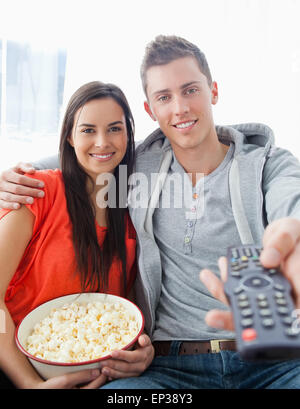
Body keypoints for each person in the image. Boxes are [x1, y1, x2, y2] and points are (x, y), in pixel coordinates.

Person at [1, 35, 300, 389]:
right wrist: (14, 176)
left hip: (272, 359)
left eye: (190, 90)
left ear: (213, 91)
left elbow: (290, 206)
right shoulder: (141, 165)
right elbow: (86, 156)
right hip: (171, 367)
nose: (180, 109)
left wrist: (290, 240)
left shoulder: (268, 164)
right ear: (150, 111)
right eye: (164, 97)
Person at [0, 81, 154, 389]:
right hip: (13, 366)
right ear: (69, 136)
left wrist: (143, 352)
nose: (102, 142)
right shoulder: (35, 192)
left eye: (114, 129)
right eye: (87, 130)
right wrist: (30, 384)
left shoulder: (134, 214)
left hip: (95, 376)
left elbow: (121, 313)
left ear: (128, 135)